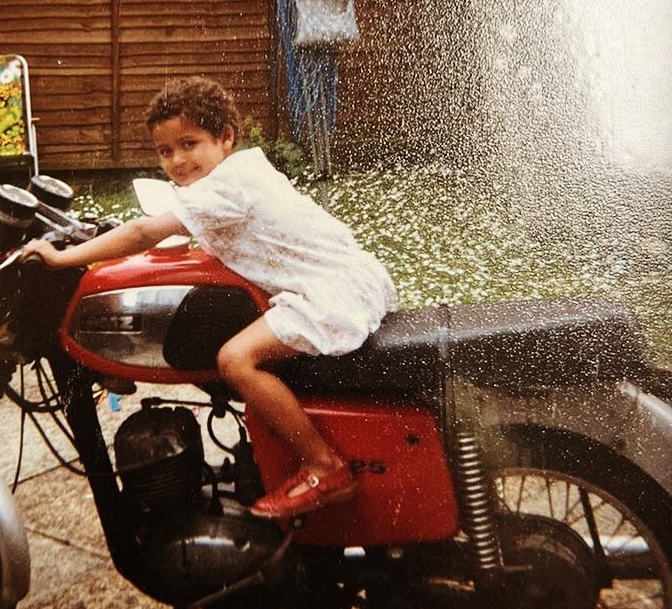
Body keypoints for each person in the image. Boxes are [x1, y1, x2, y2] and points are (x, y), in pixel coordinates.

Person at [22, 76, 397, 519]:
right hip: (337, 278)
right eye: (165, 152)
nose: (178, 160)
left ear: (225, 138)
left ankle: (324, 465)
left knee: (235, 360)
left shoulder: (227, 185)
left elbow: (144, 232)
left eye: (189, 143)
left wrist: (62, 258)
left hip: (329, 292)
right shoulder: (234, 176)